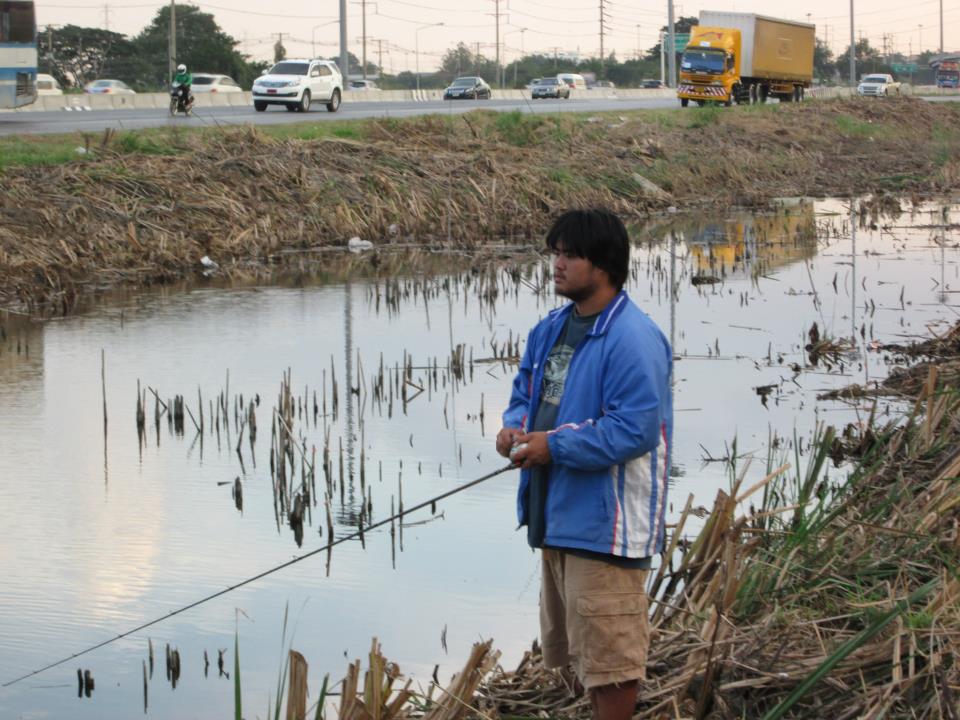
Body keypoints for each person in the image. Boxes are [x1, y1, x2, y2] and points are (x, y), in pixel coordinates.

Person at [497, 208, 672, 720]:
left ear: (603, 265)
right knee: (575, 654)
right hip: (555, 517)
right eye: (556, 252)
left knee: (611, 665)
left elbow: (634, 430)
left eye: (571, 254)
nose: (557, 263)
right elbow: (525, 393)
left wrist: (554, 446)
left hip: (605, 527)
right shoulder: (550, 330)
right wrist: (513, 430)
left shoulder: (632, 338)